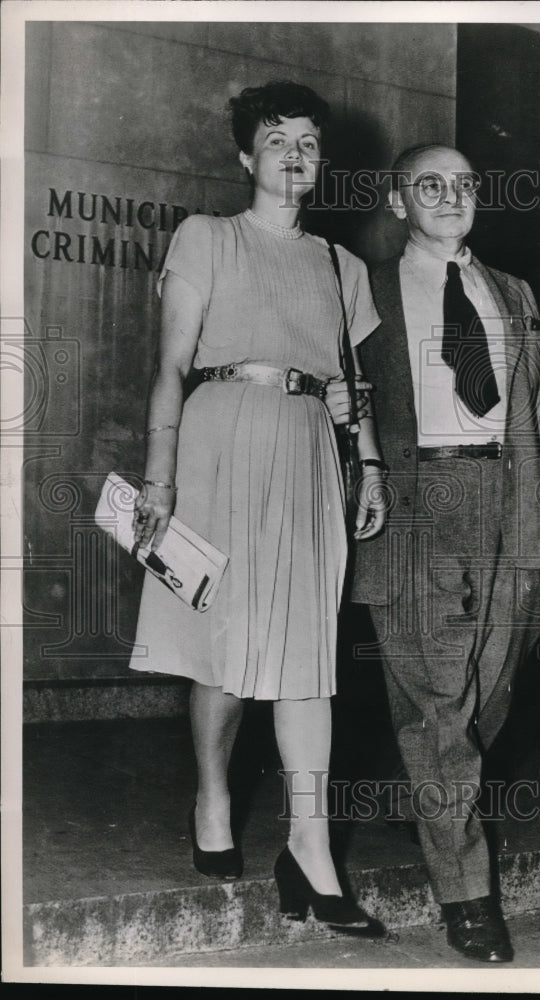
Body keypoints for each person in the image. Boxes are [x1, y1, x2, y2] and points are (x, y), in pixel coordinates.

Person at [129, 81, 386, 936]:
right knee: (222, 645)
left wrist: (372, 467)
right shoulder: (208, 238)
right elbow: (171, 365)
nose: (295, 155)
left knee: (308, 651)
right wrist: (159, 479)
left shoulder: (341, 266)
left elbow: (353, 387)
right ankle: (212, 791)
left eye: (309, 142)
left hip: (310, 449)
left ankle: (309, 848)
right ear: (247, 157)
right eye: (277, 140)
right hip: (218, 436)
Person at [351, 144, 540, 962]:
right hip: (419, 502)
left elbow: (535, 410)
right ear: (396, 199)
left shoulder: (510, 291)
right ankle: (467, 895)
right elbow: (344, 400)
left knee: (492, 681)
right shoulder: (364, 286)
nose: (449, 198)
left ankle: (418, 785)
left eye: (462, 185)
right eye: (429, 186)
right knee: (438, 697)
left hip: (508, 496)